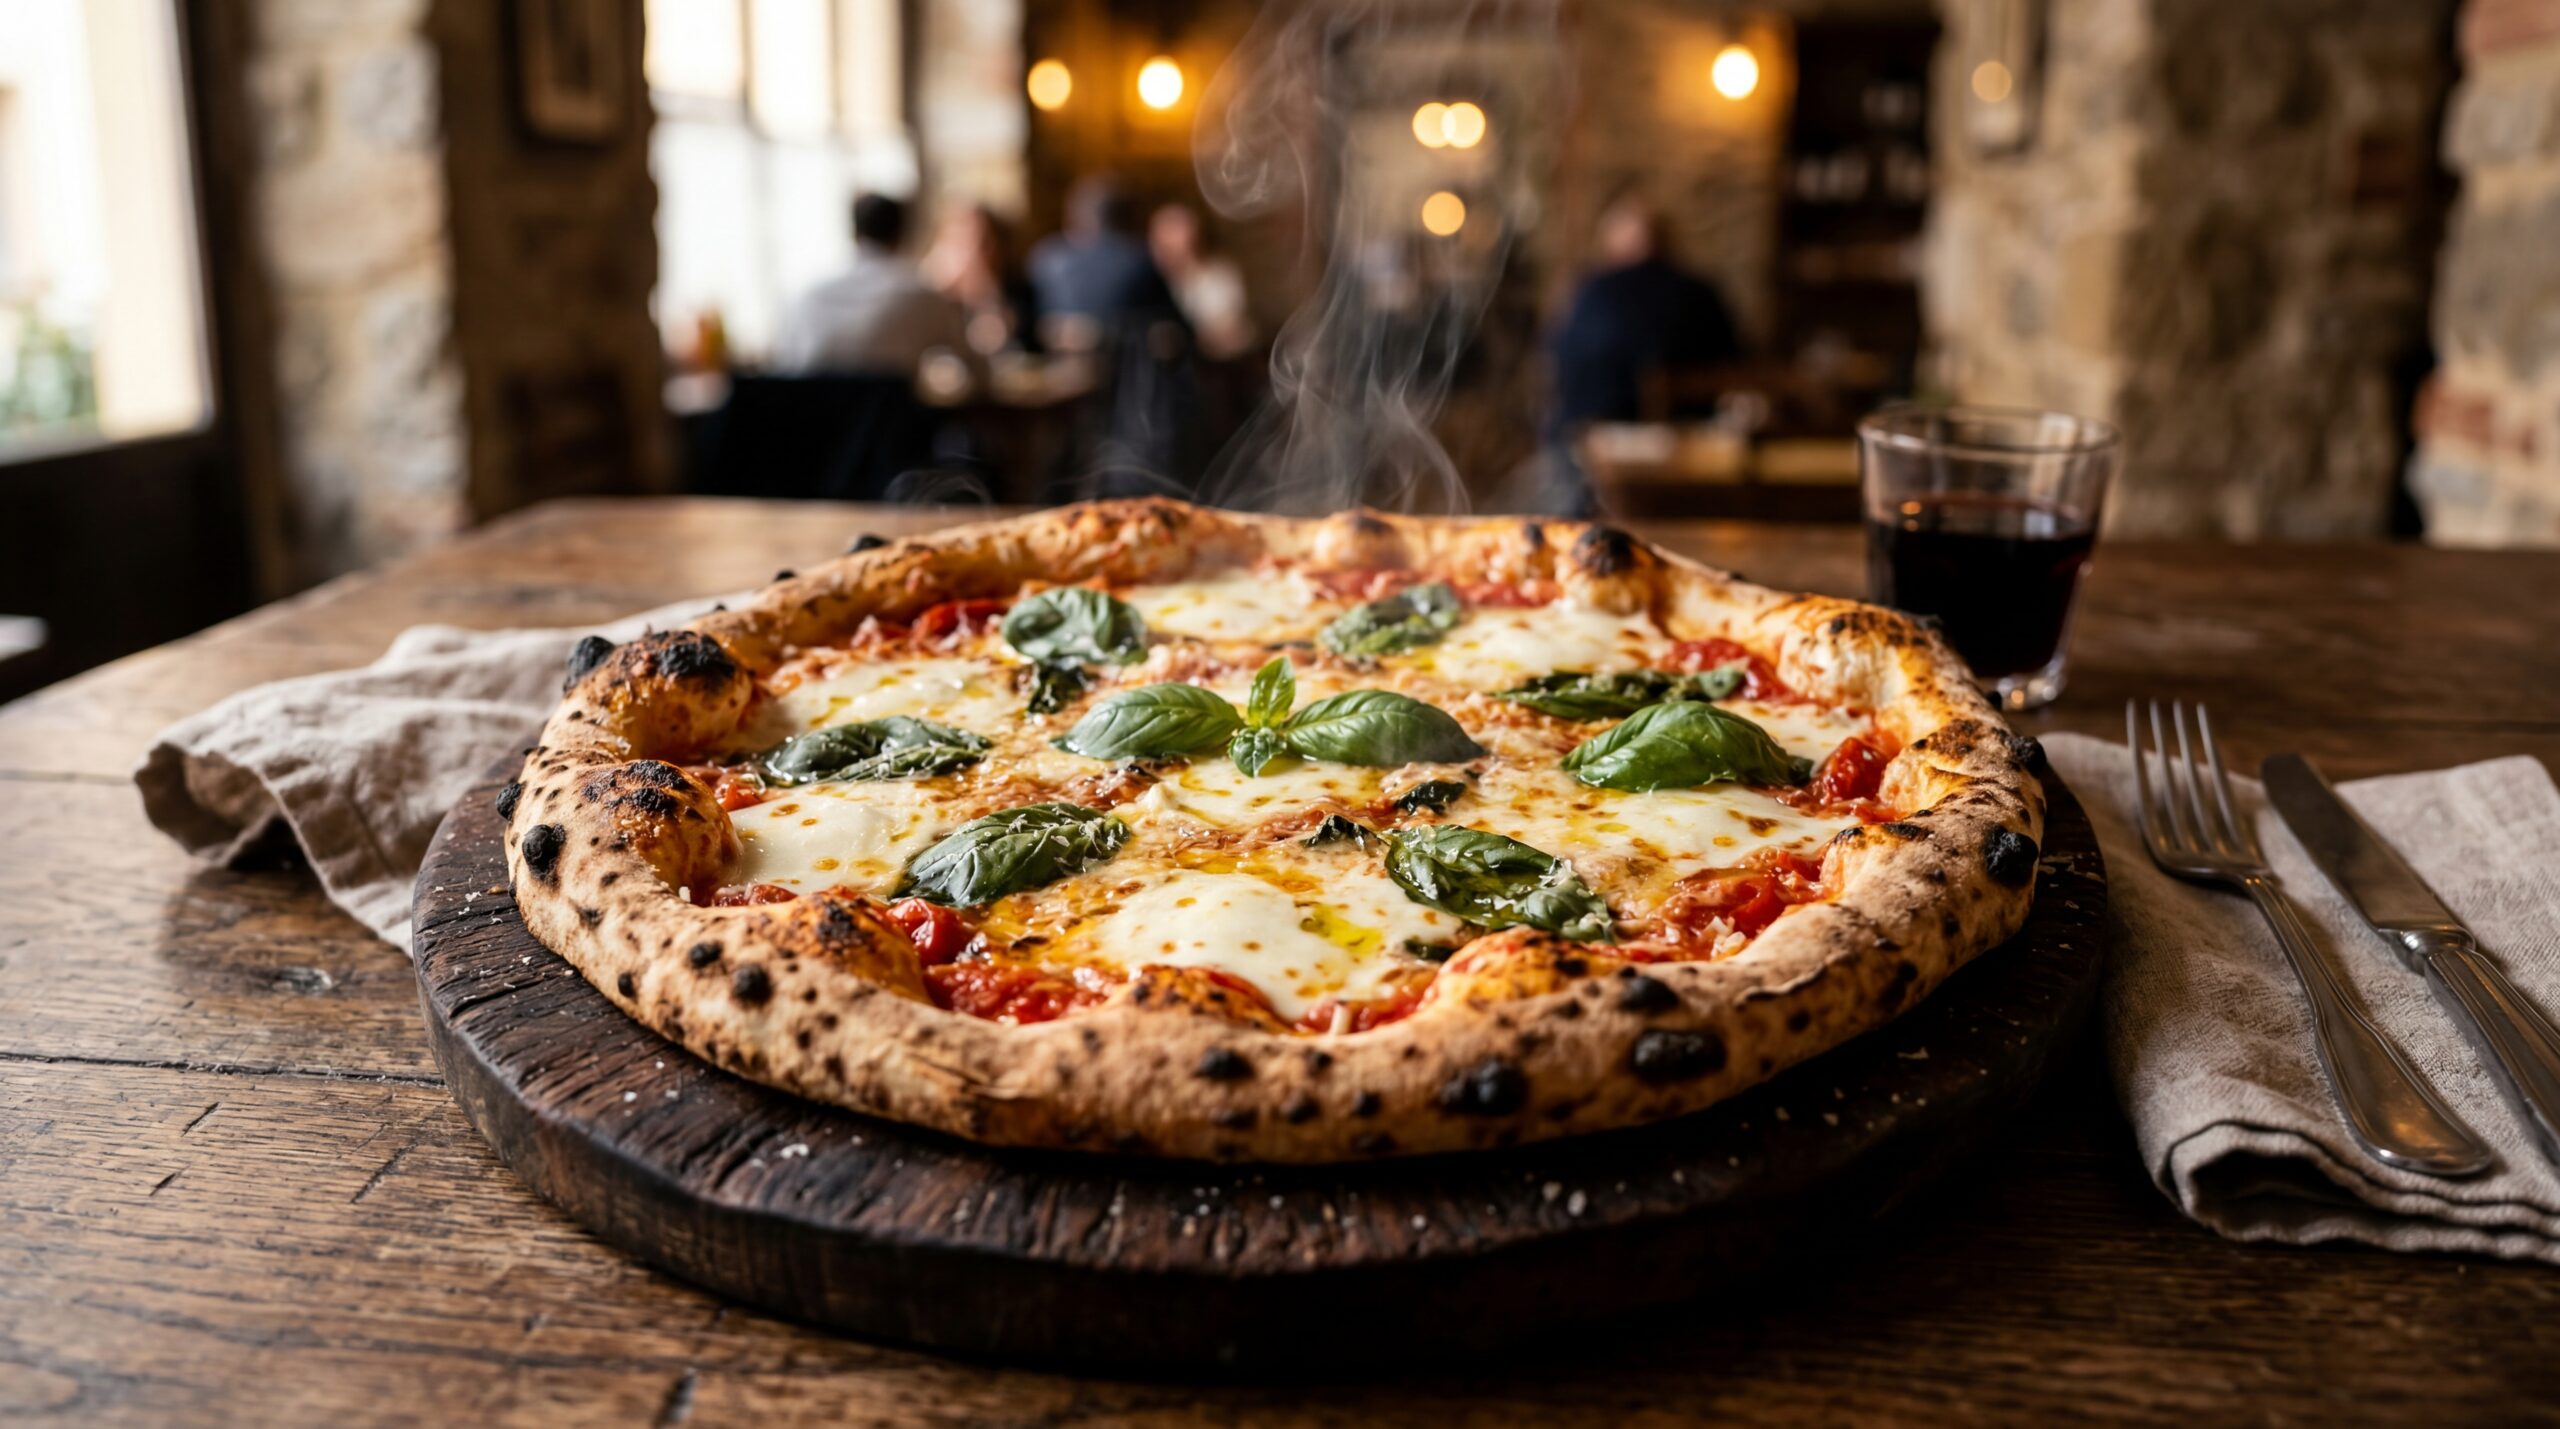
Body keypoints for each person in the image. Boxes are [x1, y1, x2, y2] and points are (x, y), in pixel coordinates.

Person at [1547, 192, 1744, 429]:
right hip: (1689, 437)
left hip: (1596, 434)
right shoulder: (1701, 291)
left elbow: (1557, 356)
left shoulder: (1593, 291)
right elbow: (1736, 362)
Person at [771, 193, 970, 376]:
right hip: (894, 414)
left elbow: (785, 367)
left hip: (815, 413)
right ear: (901, 235)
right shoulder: (923, 296)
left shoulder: (807, 296)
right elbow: (970, 364)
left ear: (854, 232)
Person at [1027, 176, 1186, 349]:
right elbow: (1174, 324)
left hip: (1055, 366)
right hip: (1125, 368)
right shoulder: (1140, 260)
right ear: (1126, 217)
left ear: (1073, 215)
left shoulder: (1045, 257)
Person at [920, 203, 1039, 355]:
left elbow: (1008, 344)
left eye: (983, 243)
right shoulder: (929, 291)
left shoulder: (1016, 290)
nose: (973, 253)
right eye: (961, 242)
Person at [1148, 202, 1256, 360]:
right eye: (1157, 236)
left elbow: (1229, 332)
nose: (1160, 244)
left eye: (1172, 233)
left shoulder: (1218, 278)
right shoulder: (1148, 282)